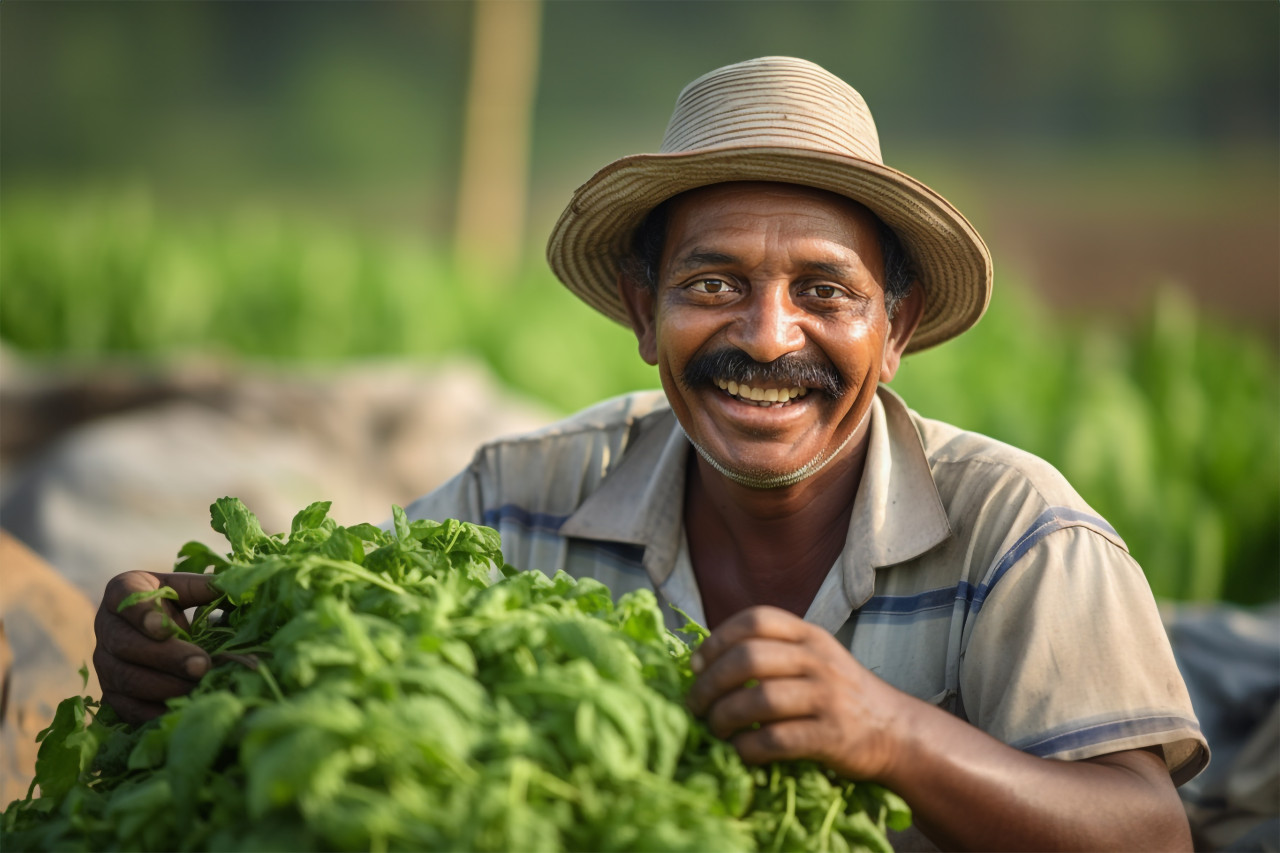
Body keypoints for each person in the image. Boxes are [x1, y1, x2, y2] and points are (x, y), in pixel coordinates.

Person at [94, 57, 1207, 850]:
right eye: (711, 284)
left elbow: (1148, 834)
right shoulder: (510, 500)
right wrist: (191, 645)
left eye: (824, 292)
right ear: (641, 311)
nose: (767, 338)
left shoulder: (1018, 529)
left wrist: (889, 733)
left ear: (894, 329)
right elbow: (329, 644)